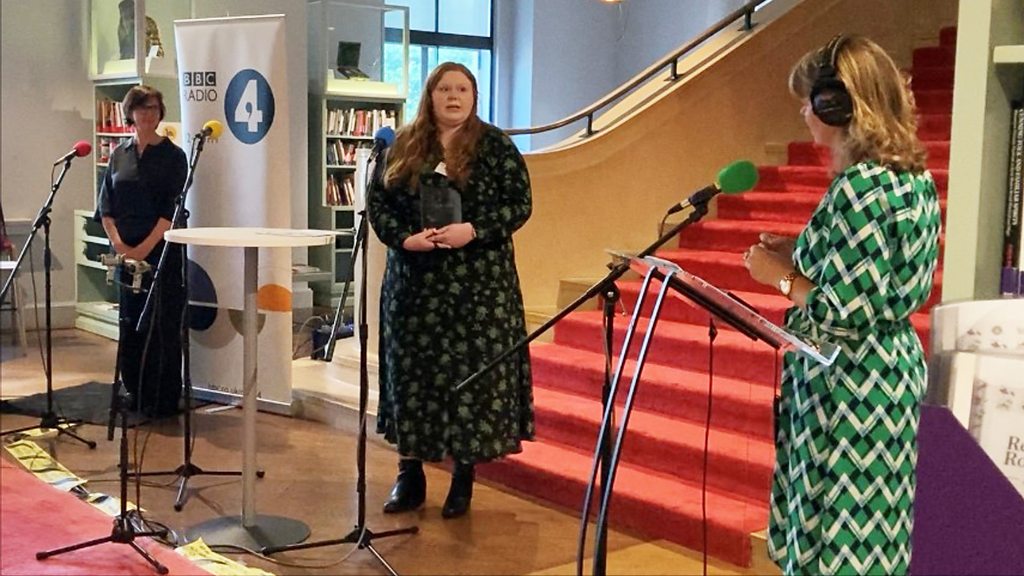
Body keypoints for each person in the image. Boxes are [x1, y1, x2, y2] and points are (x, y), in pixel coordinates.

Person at [743, 35, 941, 575]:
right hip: (889, 375)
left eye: (811, 100)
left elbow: (841, 311)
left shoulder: (859, 187)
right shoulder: (911, 177)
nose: (804, 112)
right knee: (875, 540)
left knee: (839, 546)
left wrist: (779, 277)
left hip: (851, 386)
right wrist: (801, 251)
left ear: (838, 103)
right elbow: (876, 276)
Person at [367, 62, 535, 519]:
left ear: (474, 95)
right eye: (445, 89)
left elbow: (520, 204)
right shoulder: (403, 144)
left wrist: (474, 230)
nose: (454, 96)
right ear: (431, 95)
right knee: (412, 377)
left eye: (462, 88)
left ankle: (463, 477)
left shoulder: (495, 146)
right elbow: (378, 204)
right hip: (414, 285)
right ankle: (409, 474)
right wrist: (405, 239)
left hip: (478, 289)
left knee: (470, 381)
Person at [98, 85, 187, 418]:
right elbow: (106, 206)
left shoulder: (174, 156)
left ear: (160, 113)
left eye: (153, 108)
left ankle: (162, 399)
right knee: (130, 324)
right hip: (125, 255)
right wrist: (121, 246)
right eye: (141, 108)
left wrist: (144, 249)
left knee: (161, 325)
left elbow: (171, 210)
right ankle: (135, 391)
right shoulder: (119, 154)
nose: (148, 114)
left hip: (161, 253)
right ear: (130, 113)